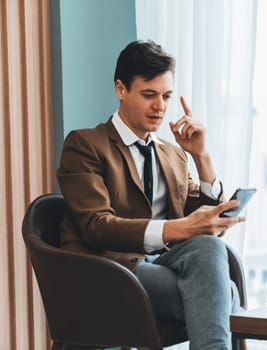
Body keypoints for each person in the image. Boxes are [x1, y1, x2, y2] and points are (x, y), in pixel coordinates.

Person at [57, 40, 245, 350]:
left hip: (163, 262)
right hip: (107, 268)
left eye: (166, 96)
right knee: (226, 294)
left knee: (209, 247)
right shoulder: (85, 145)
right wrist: (179, 227)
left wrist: (202, 157)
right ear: (121, 89)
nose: (160, 106)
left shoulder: (173, 153)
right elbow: (96, 226)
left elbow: (199, 219)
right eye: (149, 95)